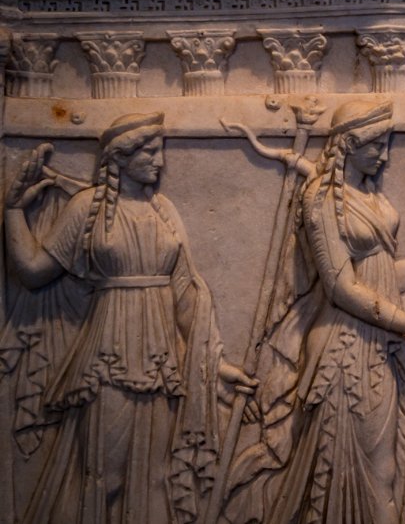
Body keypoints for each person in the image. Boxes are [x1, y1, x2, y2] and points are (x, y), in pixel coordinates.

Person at [225, 99, 405, 524]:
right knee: (358, 475)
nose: (385, 155)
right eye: (376, 146)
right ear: (349, 144)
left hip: (378, 345)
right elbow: (341, 289)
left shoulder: (368, 196)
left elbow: (380, 278)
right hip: (344, 351)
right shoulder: (320, 200)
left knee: (382, 475)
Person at [4, 112, 255, 524]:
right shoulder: (87, 208)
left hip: (161, 364)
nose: (160, 161)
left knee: (156, 476)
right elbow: (32, 271)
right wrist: (14, 209)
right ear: (120, 157)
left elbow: (185, 297)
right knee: (104, 476)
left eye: (161, 151)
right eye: (150, 152)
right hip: (109, 358)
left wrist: (216, 366)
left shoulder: (164, 210)